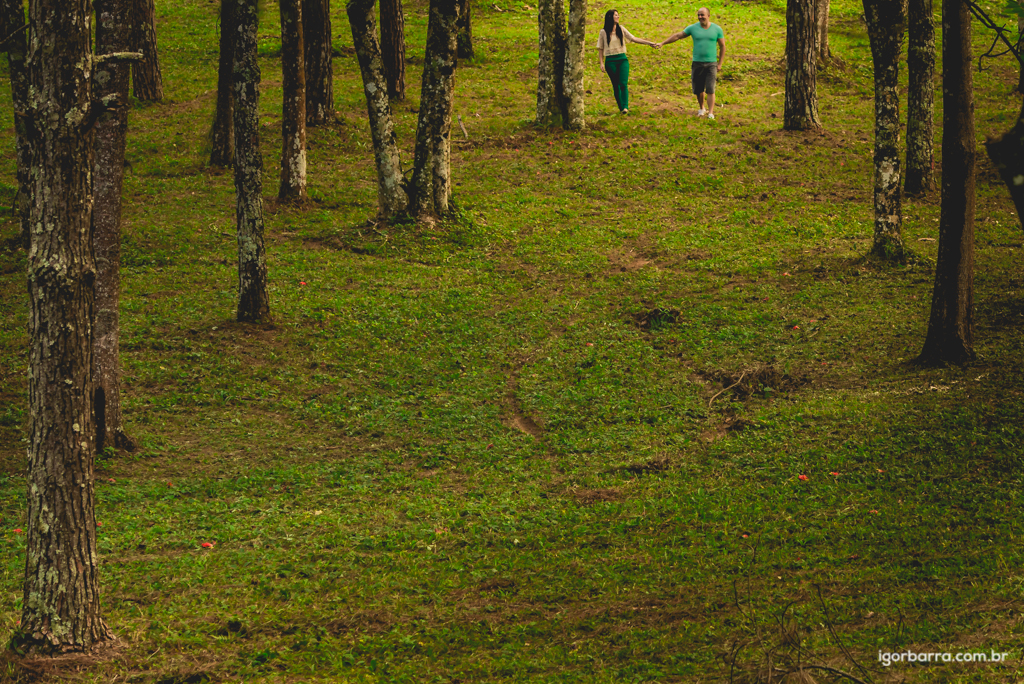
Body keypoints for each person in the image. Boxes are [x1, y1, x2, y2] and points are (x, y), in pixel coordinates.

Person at [658, 7, 726, 120]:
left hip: (711, 64)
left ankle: (711, 113)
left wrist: (720, 63)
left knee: (710, 88)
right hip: (697, 63)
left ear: (708, 15)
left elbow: (722, 46)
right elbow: (677, 36)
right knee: (698, 88)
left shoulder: (717, 29)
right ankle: (702, 108)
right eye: (699, 15)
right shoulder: (693, 28)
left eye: (702, 15)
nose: (700, 17)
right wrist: (663, 43)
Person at [598, 9, 658, 115]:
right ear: (610, 17)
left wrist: (649, 43)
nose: (618, 17)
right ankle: (621, 108)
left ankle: (625, 106)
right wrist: (601, 63)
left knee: (623, 83)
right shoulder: (603, 32)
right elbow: (600, 48)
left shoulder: (621, 29)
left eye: (618, 15)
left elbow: (633, 38)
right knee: (615, 84)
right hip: (610, 61)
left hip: (622, 59)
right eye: (616, 15)